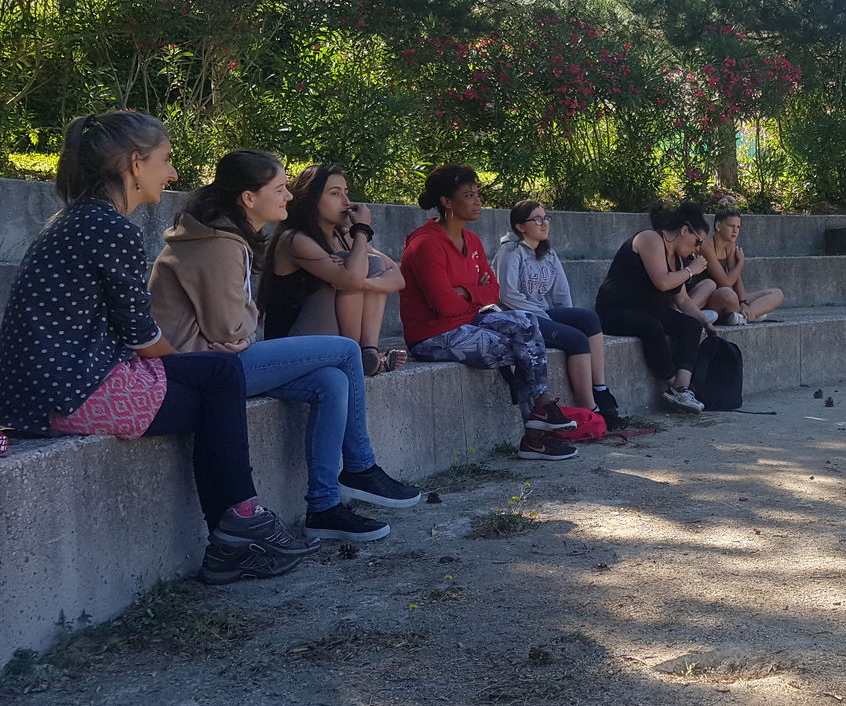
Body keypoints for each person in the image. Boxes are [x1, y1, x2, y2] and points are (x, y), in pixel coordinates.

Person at [0, 111, 317, 584]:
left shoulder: (74, 220)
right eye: (165, 160)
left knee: (217, 379)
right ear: (134, 164)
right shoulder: (110, 227)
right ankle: (238, 526)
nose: (171, 174)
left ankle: (237, 528)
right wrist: (184, 366)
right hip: (66, 393)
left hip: (47, 385)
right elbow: (141, 335)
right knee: (217, 384)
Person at [150, 149, 422, 542]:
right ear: (248, 198)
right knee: (344, 351)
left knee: (332, 381)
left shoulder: (224, 237)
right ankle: (361, 467)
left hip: (218, 362)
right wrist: (243, 329)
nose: (289, 197)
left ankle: (324, 507)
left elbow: (235, 326)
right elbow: (230, 330)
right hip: (200, 367)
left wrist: (242, 330)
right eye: (278, 189)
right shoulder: (219, 245)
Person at [400, 166, 579, 461]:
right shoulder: (425, 244)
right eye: (468, 195)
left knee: (526, 322)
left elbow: (493, 291)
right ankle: (536, 434)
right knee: (515, 347)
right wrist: (474, 292)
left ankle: (541, 408)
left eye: (477, 194)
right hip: (433, 335)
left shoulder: (472, 241)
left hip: (469, 321)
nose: (477, 201)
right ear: (447, 202)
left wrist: (464, 291)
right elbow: (443, 306)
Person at [261, 164, 407, 376]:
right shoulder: (294, 239)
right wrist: (361, 231)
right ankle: (354, 353)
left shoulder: (345, 236)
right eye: (335, 194)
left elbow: (398, 277)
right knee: (351, 262)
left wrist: (363, 282)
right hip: (291, 344)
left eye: (346, 193)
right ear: (311, 198)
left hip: (329, 336)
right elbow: (351, 278)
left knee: (371, 263)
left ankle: (369, 352)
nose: (346, 202)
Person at [496, 200, 628, 431]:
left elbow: (562, 293)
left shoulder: (548, 253)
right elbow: (507, 295)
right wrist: (545, 317)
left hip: (541, 313)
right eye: (536, 219)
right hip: (518, 319)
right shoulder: (511, 251)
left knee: (588, 319)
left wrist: (568, 316)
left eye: (546, 217)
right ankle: (591, 409)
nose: (544, 223)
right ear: (520, 226)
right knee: (575, 339)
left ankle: (601, 390)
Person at [594, 203, 716, 413]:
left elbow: (684, 301)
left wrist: (704, 322)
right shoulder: (649, 238)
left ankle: (682, 389)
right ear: (684, 230)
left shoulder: (678, 258)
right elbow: (662, 281)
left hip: (646, 309)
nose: (698, 249)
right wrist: (690, 271)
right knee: (652, 326)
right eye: (698, 242)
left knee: (691, 326)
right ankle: (672, 384)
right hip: (615, 310)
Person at [686, 209, 785, 325]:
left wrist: (743, 302)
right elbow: (726, 283)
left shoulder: (731, 245)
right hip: (712, 297)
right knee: (729, 295)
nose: (735, 231)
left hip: (729, 297)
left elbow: (736, 278)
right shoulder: (707, 246)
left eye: (738, 227)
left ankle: (744, 315)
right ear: (718, 226)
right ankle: (749, 315)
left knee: (777, 294)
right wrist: (741, 263)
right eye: (731, 226)